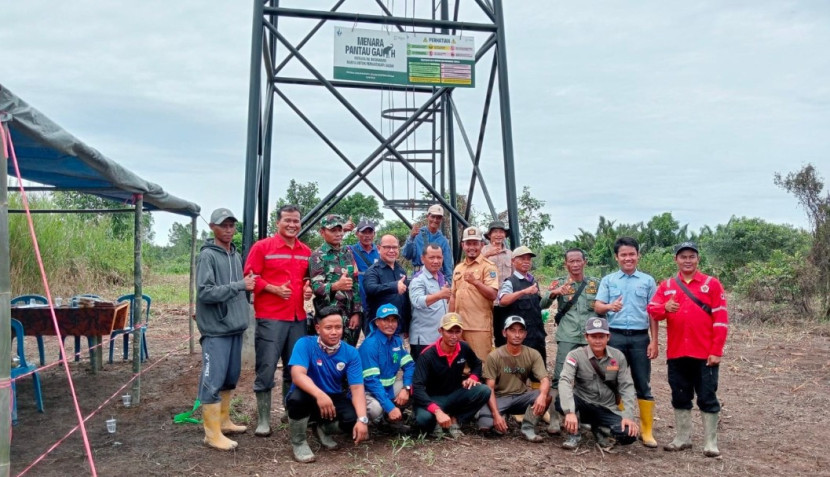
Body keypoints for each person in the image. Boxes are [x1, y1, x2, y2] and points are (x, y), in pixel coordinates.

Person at [647, 242, 729, 457]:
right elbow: (653, 310)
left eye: (691, 256)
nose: (687, 260)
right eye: (683, 256)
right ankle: (682, 437)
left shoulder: (712, 284)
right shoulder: (667, 286)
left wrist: (716, 350)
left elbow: (721, 320)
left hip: (704, 353)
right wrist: (665, 308)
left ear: (698, 259)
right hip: (677, 352)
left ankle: (710, 442)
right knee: (680, 394)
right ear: (676, 259)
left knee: (707, 395)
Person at [244, 204, 313, 437]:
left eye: (296, 221)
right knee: (266, 367)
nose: (292, 225)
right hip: (271, 317)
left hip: (297, 318)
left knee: (294, 368)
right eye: (288, 221)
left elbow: (308, 278)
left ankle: (288, 409)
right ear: (278, 222)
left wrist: (307, 288)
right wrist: (272, 288)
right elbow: (250, 276)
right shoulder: (262, 247)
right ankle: (263, 419)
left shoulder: (305, 251)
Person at [195, 208, 256, 450]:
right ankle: (211, 434)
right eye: (223, 225)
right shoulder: (207, 256)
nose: (229, 230)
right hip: (216, 329)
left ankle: (224, 420)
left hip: (234, 327)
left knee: (230, 377)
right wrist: (240, 285)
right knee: (213, 379)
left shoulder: (235, 255)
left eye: (232, 225)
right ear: (212, 227)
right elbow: (205, 292)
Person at [594, 237, 659, 448]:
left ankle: (646, 431)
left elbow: (653, 314)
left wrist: (654, 341)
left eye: (632, 254)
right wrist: (609, 306)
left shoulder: (648, 281)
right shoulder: (609, 280)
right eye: (623, 255)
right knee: (612, 381)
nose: (628, 258)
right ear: (617, 257)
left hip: (640, 338)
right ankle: (615, 425)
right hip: (615, 338)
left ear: (638, 255)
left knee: (642, 383)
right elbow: (597, 307)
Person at [284, 305, 370, 463]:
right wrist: (319, 394)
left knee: (352, 420)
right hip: (308, 394)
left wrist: (362, 419)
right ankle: (299, 442)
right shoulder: (304, 344)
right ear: (318, 328)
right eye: (328, 327)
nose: (334, 332)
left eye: (338, 327)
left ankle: (322, 428)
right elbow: (297, 375)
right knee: (296, 400)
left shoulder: (351, 352)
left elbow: (357, 388)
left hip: (334, 396)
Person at [557, 317, 640, 450]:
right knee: (559, 401)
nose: (597, 341)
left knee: (628, 435)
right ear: (586, 337)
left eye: (601, 336)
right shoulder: (575, 355)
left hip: (607, 407)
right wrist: (569, 411)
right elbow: (565, 381)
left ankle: (598, 428)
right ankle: (574, 433)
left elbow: (627, 386)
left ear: (608, 337)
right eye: (593, 336)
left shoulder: (618, 357)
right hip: (583, 402)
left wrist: (628, 416)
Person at [545, 248, 600, 435]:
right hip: (567, 337)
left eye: (578, 261)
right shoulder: (559, 283)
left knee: (588, 378)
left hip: (589, 339)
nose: (575, 265)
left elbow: (602, 307)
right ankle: (554, 418)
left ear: (585, 262)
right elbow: (541, 303)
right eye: (571, 261)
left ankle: (583, 416)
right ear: (566, 264)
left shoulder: (595, 284)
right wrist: (555, 293)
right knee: (560, 377)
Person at [412, 313, 492, 438]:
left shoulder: (464, 347)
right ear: (440, 331)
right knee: (423, 420)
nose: (454, 336)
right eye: (450, 331)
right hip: (432, 398)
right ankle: (436, 422)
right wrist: (437, 411)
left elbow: (477, 364)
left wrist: (473, 378)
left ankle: (455, 420)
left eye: (457, 331)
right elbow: (417, 388)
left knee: (484, 390)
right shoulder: (427, 355)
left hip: (454, 394)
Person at [478, 316, 551, 442]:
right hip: (499, 397)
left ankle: (528, 427)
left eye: (520, 331)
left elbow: (544, 380)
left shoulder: (533, 354)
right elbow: (489, 388)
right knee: (486, 427)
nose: (517, 335)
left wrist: (542, 395)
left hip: (520, 397)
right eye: (512, 330)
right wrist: (496, 415)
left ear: (525, 334)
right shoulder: (494, 356)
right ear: (504, 332)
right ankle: (500, 415)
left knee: (546, 395)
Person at [358, 304, 415, 432]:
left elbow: (410, 365)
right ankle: (373, 421)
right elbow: (372, 381)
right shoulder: (370, 345)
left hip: (387, 388)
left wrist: (406, 388)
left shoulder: (396, 341)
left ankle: (390, 422)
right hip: (368, 392)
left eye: (393, 320)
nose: (390, 324)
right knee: (376, 408)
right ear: (377, 322)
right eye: (386, 320)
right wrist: (389, 407)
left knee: (413, 386)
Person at [309, 214, 362, 346]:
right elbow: (316, 287)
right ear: (322, 232)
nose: (338, 234)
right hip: (329, 318)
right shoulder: (317, 256)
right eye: (333, 230)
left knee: (348, 352)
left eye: (340, 230)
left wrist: (356, 312)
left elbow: (355, 284)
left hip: (349, 315)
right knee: (329, 353)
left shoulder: (347, 253)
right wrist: (336, 286)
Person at [449, 226, 499, 361]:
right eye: (468, 243)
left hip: (479, 328)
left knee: (479, 365)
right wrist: (450, 321)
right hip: (458, 328)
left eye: (475, 243)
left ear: (482, 245)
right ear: (462, 245)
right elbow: (453, 296)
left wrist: (476, 282)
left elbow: (493, 294)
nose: (472, 247)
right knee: (458, 366)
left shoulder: (488, 267)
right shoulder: (458, 268)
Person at [496, 246, 551, 366]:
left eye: (528, 259)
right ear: (513, 261)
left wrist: (552, 293)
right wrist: (523, 292)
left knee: (538, 372)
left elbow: (539, 305)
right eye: (522, 259)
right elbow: (503, 301)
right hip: (520, 337)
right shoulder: (510, 282)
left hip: (537, 335)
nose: (526, 262)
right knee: (519, 370)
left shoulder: (533, 281)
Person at [408, 244, 451, 360]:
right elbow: (417, 301)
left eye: (439, 257)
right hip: (423, 340)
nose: (436, 261)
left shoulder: (442, 277)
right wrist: (439, 295)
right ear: (423, 259)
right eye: (432, 258)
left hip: (440, 339)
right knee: (423, 376)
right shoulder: (418, 279)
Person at [363, 234, 410, 336]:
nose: (392, 250)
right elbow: (370, 288)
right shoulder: (372, 271)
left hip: (398, 328)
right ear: (379, 248)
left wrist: (407, 326)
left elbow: (405, 300)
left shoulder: (401, 270)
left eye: (395, 247)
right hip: (378, 329)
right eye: (387, 247)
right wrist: (394, 286)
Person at [401, 204, 454, 283]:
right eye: (433, 216)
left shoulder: (443, 241)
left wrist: (449, 285)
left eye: (438, 217)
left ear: (441, 219)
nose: (435, 220)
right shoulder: (417, 235)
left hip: (436, 278)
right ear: (428, 216)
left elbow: (448, 266)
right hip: (418, 276)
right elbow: (407, 255)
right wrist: (411, 237)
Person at [482, 220, 513, 346]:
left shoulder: (510, 254)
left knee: (503, 334)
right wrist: (488, 255)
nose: (498, 235)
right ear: (489, 235)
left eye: (501, 232)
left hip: (505, 302)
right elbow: (473, 268)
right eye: (495, 232)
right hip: (486, 301)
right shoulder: (482, 251)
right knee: (485, 333)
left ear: (505, 235)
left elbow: (514, 277)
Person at [349, 219, 380, 336]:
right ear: (357, 234)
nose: (367, 236)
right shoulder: (350, 250)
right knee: (350, 339)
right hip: (356, 303)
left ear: (374, 234)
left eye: (370, 232)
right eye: (363, 232)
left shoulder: (380, 252)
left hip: (372, 303)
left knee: (371, 337)